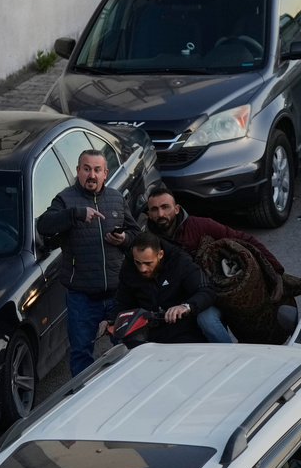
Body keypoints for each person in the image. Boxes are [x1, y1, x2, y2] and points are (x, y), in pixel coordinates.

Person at [36, 149, 139, 376]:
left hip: (118, 294)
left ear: (105, 173)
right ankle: (83, 396)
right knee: (81, 353)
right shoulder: (65, 199)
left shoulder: (116, 198)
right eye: (86, 169)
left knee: (127, 348)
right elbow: (43, 225)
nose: (92, 175)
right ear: (78, 171)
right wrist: (76, 214)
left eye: (97, 170)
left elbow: (136, 235)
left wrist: (124, 239)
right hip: (81, 298)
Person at [146, 187, 286, 343]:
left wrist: (276, 271)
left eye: (165, 207)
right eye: (155, 209)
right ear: (149, 214)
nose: (161, 214)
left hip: (213, 296)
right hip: (176, 305)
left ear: (176, 209)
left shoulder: (201, 226)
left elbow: (245, 240)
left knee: (208, 322)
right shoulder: (147, 243)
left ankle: (232, 356)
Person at [111, 232, 216, 344]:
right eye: (138, 262)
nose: (142, 269)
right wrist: (111, 320)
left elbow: (207, 290)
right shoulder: (128, 267)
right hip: (147, 336)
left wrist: (186, 307)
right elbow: (122, 301)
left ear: (160, 254)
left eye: (148, 263)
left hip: (184, 332)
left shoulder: (180, 261)